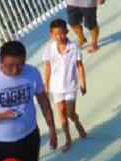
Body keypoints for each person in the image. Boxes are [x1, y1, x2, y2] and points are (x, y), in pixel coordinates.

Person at [0, 41, 57, 161]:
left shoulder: (32, 73)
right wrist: (3, 116)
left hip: (29, 137)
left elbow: (44, 102)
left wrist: (52, 128)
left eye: (20, 65)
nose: (15, 70)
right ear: (1, 62)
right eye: (10, 65)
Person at [42, 19, 87, 152]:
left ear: (66, 32)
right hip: (56, 88)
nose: (59, 37)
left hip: (70, 86)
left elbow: (79, 66)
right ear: (51, 34)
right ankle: (68, 138)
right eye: (56, 34)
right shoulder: (49, 49)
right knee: (61, 114)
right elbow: (48, 68)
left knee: (70, 113)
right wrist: (47, 85)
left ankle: (76, 121)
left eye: (62, 33)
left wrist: (83, 83)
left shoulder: (74, 47)